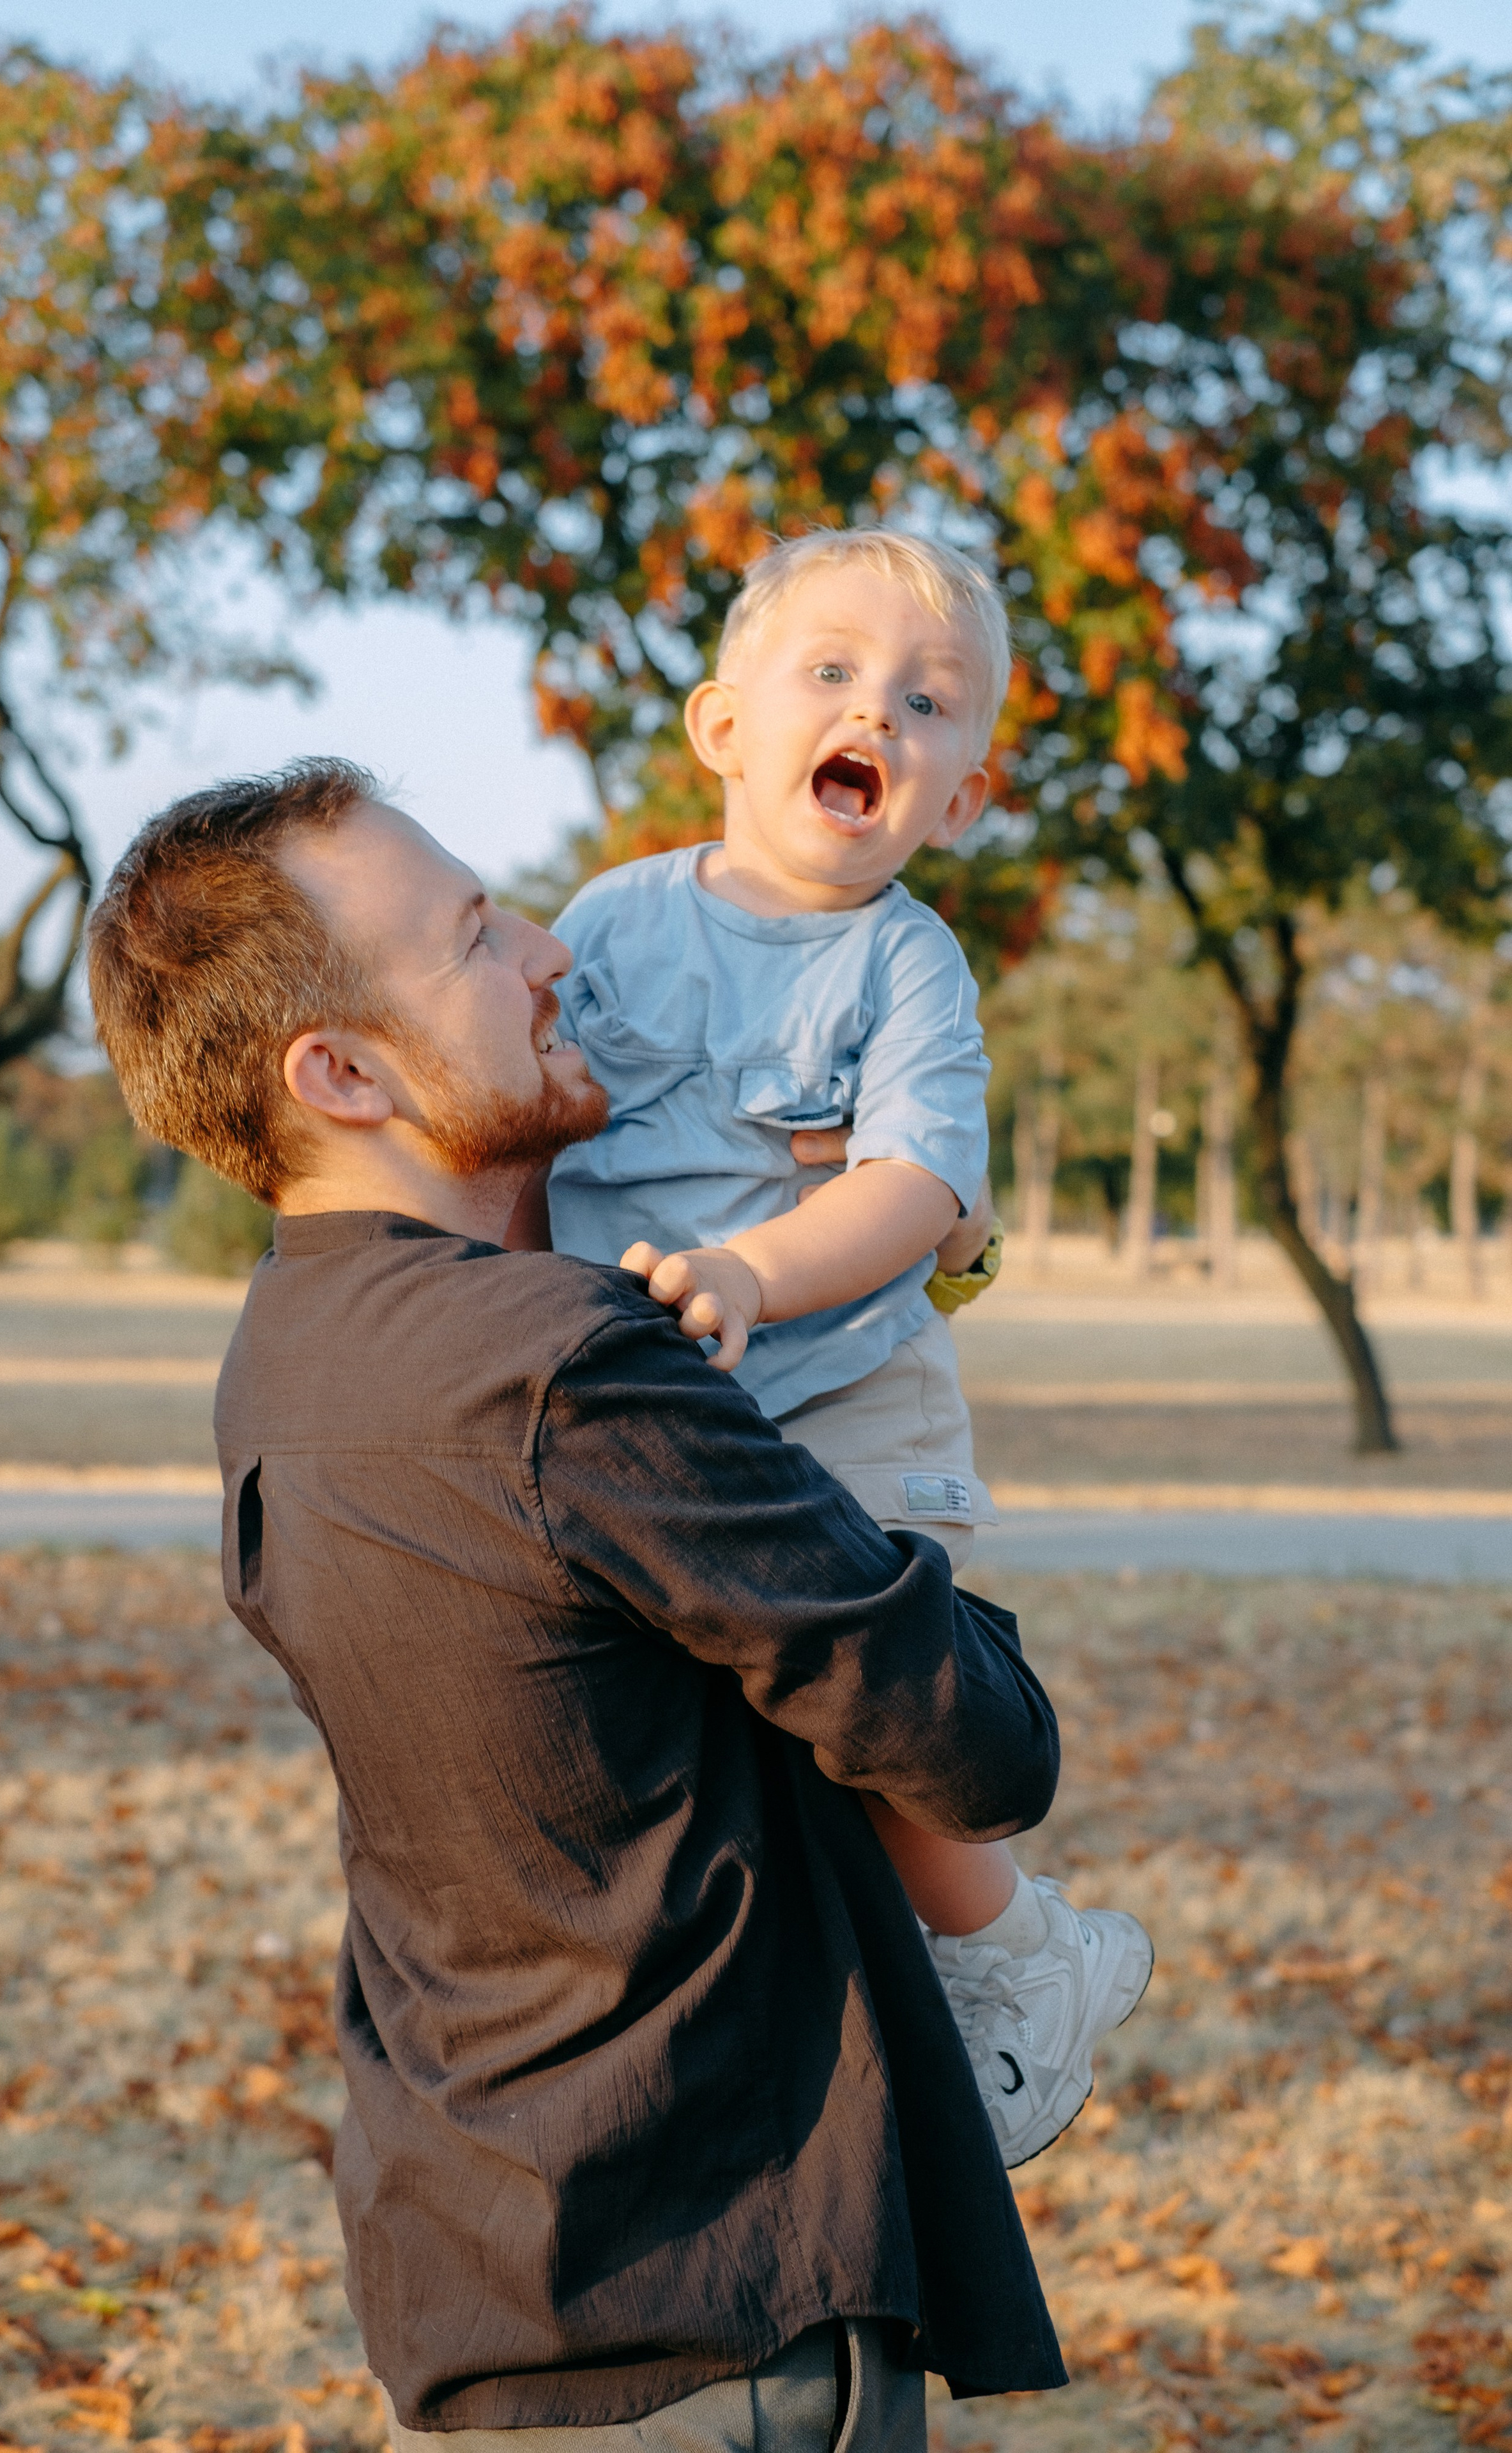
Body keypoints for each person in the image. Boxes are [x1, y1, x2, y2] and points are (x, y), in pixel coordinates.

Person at [87, 758, 1067, 2453]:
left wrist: (837, 1231)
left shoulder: (291, 1361)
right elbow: (980, 1747)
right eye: (473, 937)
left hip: (489, 2269)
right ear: (342, 1072)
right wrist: (878, 1336)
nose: (553, 949)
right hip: (715, 2307)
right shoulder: (564, 1375)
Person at [542, 530, 1152, 2167]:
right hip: (653, 1405)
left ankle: (1024, 1955)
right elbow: (537, 1118)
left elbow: (922, 1189)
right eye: (829, 673)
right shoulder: (614, 920)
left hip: (852, 1398)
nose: (874, 709)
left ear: (955, 799)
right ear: (723, 730)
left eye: (925, 700)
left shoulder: (903, 959)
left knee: (879, 1716)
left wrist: (752, 1266)